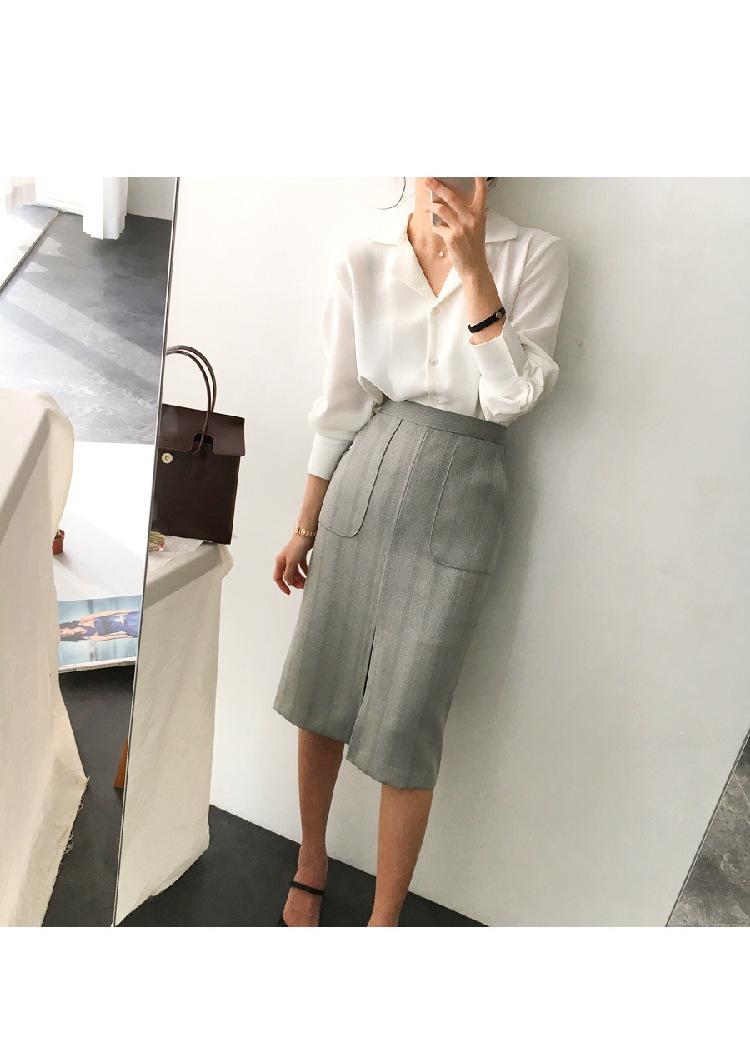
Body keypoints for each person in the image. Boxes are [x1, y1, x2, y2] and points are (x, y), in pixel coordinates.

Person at [272, 177, 569, 926]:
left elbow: (512, 400)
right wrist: (304, 524)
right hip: (366, 474)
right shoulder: (363, 258)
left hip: (464, 491)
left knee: (409, 713)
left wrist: (474, 268)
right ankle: (311, 861)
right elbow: (341, 404)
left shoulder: (535, 255)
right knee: (323, 684)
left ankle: (385, 919)